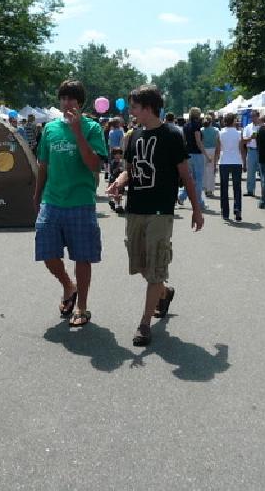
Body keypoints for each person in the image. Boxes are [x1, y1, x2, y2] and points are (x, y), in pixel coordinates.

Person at [107, 85, 203, 346]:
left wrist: (196, 208)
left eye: (134, 107)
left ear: (148, 108)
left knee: (155, 266)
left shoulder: (172, 134)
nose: (131, 112)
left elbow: (186, 174)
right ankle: (164, 291)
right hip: (135, 208)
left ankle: (144, 324)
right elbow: (130, 169)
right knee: (139, 263)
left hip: (161, 210)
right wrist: (119, 183)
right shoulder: (134, 135)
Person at [34, 80, 107, 327]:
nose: (67, 103)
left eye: (72, 99)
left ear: (80, 103)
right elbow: (43, 164)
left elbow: (95, 165)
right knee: (47, 253)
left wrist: (77, 132)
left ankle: (82, 307)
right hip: (51, 201)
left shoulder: (92, 128)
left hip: (80, 202)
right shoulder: (50, 129)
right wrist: (36, 196)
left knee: (82, 257)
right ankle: (68, 285)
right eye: (63, 98)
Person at [215, 113, 246, 222]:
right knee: (237, 187)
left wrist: (215, 162)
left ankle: (225, 211)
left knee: (224, 187)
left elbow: (218, 149)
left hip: (224, 161)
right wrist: (244, 162)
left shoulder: (220, 133)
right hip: (236, 161)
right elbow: (241, 149)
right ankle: (237, 209)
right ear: (233, 121)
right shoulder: (238, 133)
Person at [177, 107, 207, 210]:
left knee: (189, 179)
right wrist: (206, 155)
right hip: (197, 154)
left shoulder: (186, 126)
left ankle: (182, 196)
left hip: (188, 153)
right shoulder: (197, 126)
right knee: (198, 179)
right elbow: (198, 142)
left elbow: (184, 141)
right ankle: (198, 202)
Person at [242, 110, 261, 196]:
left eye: (254, 116)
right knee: (250, 172)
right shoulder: (248, 127)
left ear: (258, 117)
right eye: (251, 116)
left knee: (262, 171)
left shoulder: (262, 127)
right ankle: (250, 190)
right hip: (252, 150)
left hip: (260, 151)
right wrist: (251, 138)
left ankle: (264, 191)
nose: (253, 118)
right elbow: (244, 140)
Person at [201, 116, 219, 197]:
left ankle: (205, 188)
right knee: (211, 171)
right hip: (212, 150)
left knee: (204, 171)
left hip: (203, 150)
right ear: (211, 122)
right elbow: (218, 142)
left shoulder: (201, 130)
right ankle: (210, 190)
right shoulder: (216, 130)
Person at [107, 147, 126, 213]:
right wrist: (118, 168)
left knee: (120, 194)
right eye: (116, 154)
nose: (118, 155)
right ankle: (117, 205)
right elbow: (112, 171)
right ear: (114, 155)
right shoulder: (113, 162)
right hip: (114, 180)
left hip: (120, 180)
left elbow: (124, 170)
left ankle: (117, 205)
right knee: (116, 194)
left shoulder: (122, 162)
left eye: (119, 154)